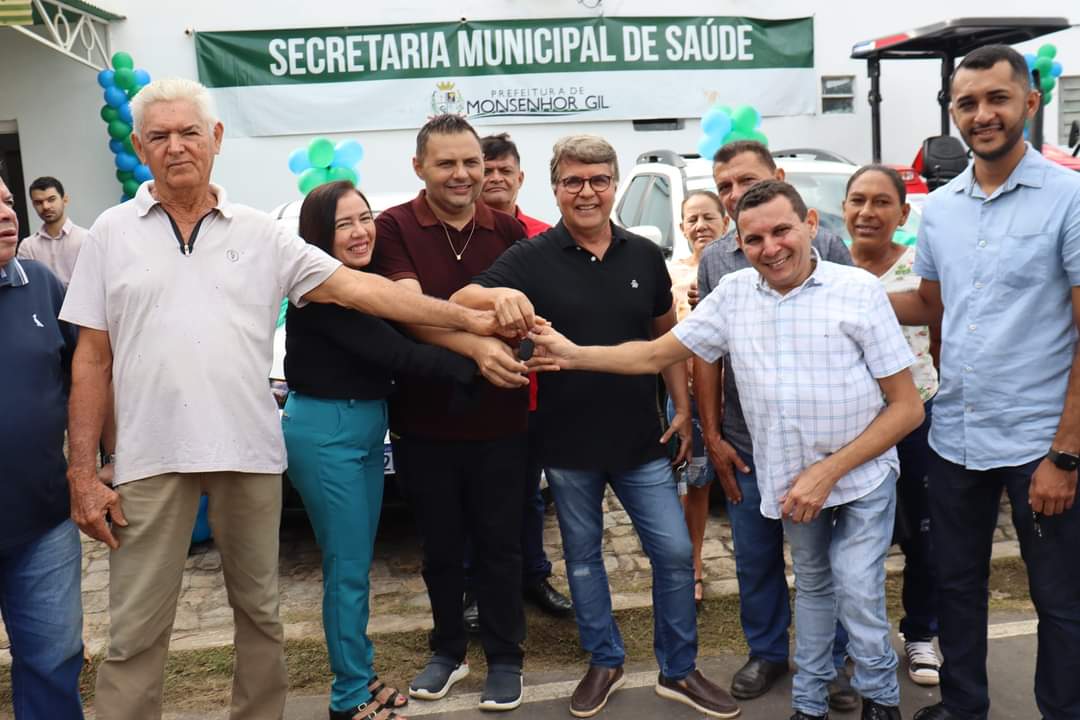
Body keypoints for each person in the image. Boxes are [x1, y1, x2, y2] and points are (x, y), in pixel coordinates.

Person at [58, 78, 505, 720]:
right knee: (134, 634)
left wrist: (471, 323)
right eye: (159, 136)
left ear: (215, 139)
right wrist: (82, 472)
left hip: (250, 454)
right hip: (149, 459)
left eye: (190, 132)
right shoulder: (109, 232)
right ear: (139, 146)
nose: (176, 147)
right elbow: (91, 357)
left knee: (261, 619)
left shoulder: (262, 234)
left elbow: (365, 293)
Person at [530, 179, 924, 720]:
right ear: (739, 241)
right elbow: (654, 354)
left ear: (809, 224)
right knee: (810, 588)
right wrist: (574, 356)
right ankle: (808, 706)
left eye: (782, 231)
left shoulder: (857, 291)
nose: (771, 248)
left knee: (855, 588)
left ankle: (882, 702)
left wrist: (828, 472)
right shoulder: (736, 294)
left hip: (859, 478)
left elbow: (907, 408)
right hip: (792, 482)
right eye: (754, 238)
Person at [453, 134, 740, 720]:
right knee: (582, 558)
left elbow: (668, 340)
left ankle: (679, 670)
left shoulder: (642, 253)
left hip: (643, 442)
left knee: (674, 554)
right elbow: (464, 295)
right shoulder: (531, 256)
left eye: (598, 180)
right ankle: (604, 660)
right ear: (556, 187)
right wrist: (503, 293)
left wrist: (682, 408)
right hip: (566, 444)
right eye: (573, 181)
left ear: (614, 185)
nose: (586, 192)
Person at [890, 44, 1080, 720]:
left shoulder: (1070, 199)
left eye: (997, 98)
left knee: (1060, 602)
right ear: (953, 114)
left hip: (1039, 443)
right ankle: (963, 708)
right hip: (956, 436)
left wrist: (1065, 454)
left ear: (1030, 102)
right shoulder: (940, 208)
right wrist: (838, 293)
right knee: (956, 585)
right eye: (966, 103)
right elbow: (932, 305)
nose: (982, 114)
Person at [282, 180, 486, 720]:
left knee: (355, 564)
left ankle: (361, 675)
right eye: (344, 224)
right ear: (318, 236)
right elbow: (399, 353)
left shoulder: (368, 284)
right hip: (328, 431)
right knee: (345, 567)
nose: (360, 231)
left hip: (366, 427)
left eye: (365, 218)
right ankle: (348, 697)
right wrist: (482, 364)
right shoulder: (322, 291)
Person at [373, 114, 532, 711]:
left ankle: (506, 655)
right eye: (447, 163)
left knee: (501, 543)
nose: (463, 174)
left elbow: (523, 317)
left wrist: (507, 343)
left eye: (472, 162)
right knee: (439, 546)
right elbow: (409, 313)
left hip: (502, 419)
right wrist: (477, 345)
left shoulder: (509, 232)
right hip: (423, 420)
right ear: (419, 167)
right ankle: (447, 649)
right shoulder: (393, 228)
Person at [693, 140, 858, 709]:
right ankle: (766, 651)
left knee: (825, 562)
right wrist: (712, 437)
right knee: (754, 554)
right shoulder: (717, 258)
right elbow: (704, 352)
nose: (735, 195)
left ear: (778, 180)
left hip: (819, 442)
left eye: (746, 181)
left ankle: (833, 662)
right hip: (747, 441)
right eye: (724, 188)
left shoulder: (827, 244)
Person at [844, 165, 941, 686]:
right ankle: (857, 640)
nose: (868, 212)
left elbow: (940, 330)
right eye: (857, 200)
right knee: (855, 541)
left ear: (903, 213)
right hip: (851, 428)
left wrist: (861, 300)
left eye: (882, 202)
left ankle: (921, 632)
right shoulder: (826, 265)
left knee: (925, 534)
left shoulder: (920, 269)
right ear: (843, 209)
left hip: (917, 418)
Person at [475, 131, 573, 620]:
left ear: (520, 178)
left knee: (532, 496)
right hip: (476, 391)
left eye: (503, 171)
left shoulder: (542, 234)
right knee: (480, 497)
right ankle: (478, 590)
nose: (494, 179)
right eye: (486, 170)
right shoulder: (464, 238)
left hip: (538, 391)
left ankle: (534, 577)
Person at [0, 170, 84, 719]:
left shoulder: (39, 282)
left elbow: (85, 376)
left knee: (54, 661)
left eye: (7, 202)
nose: (9, 214)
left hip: (42, 522)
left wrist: (97, 464)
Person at [666, 190, 727, 603]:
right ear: (683, 228)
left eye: (709, 217)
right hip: (685, 396)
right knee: (692, 480)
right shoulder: (671, 275)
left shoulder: (740, 269)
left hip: (735, 397)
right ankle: (692, 563)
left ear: (725, 222)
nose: (701, 226)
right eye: (692, 219)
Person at [17, 176, 87, 286]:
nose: (45, 206)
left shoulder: (85, 239)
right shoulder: (28, 246)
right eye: (38, 202)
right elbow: (28, 288)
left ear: (65, 199)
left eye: (51, 199)